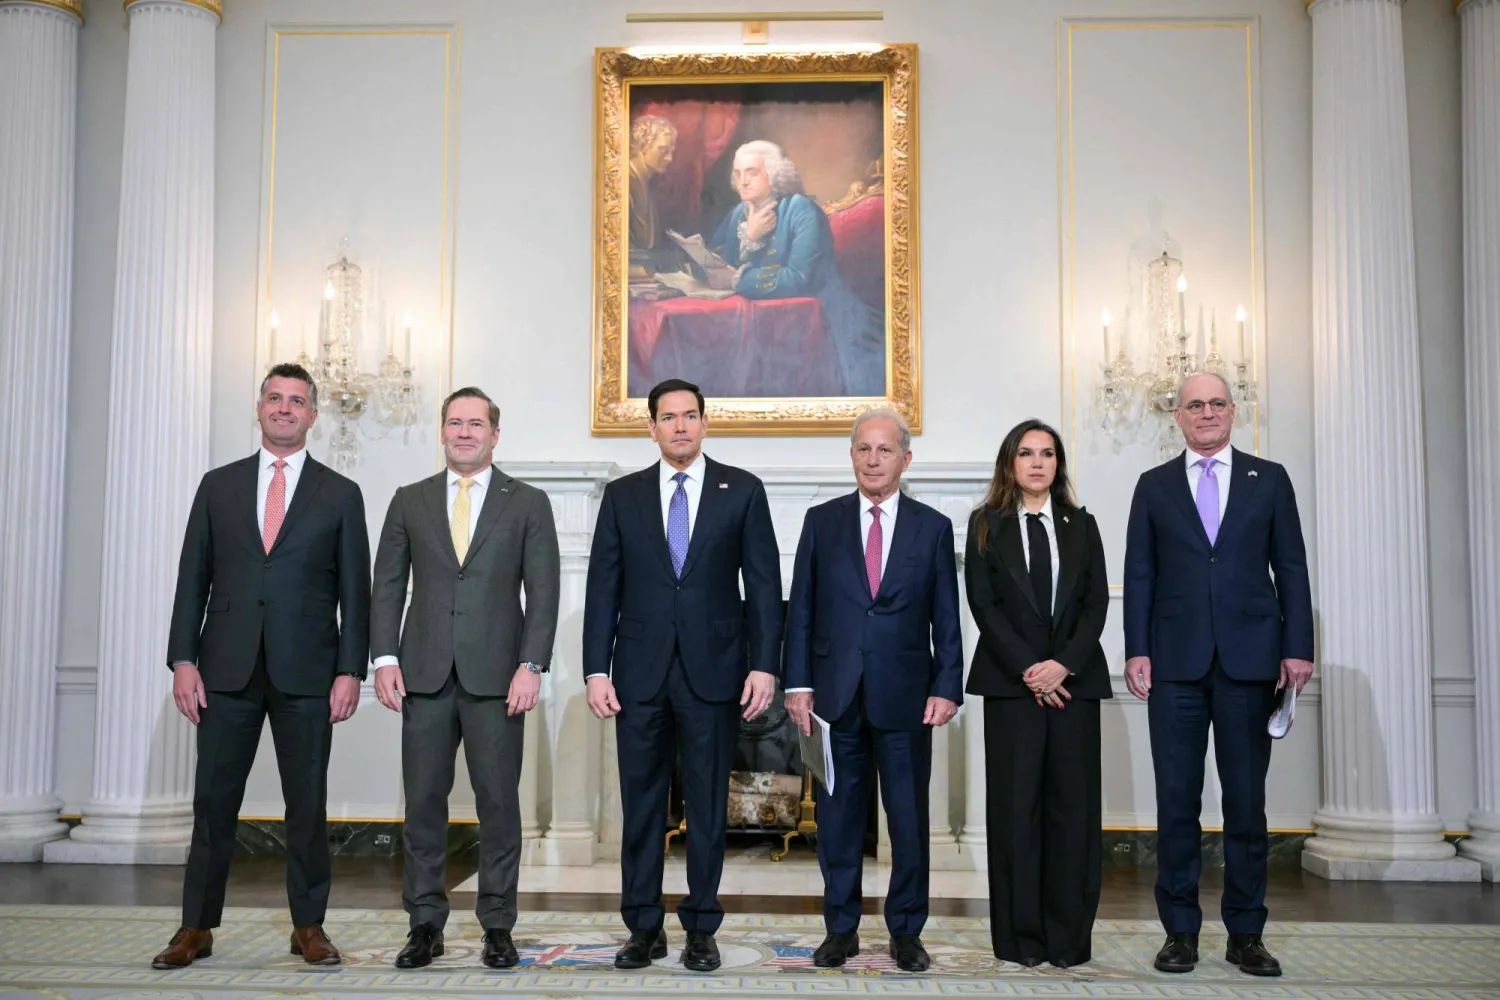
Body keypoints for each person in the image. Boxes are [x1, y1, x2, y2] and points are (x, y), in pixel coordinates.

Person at [156, 363, 371, 970]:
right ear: (259, 409)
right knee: (213, 803)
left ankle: (308, 926)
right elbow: (192, 579)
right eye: (275, 398)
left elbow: (356, 594)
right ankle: (196, 927)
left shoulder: (341, 493)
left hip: (309, 671)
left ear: (313, 415)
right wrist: (183, 659)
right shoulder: (217, 486)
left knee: (307, 804)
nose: (284, 408)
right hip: (224, 669)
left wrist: (350, 670)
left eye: (296, 401)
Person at [582, 377, 783, 973]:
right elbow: (603, 588)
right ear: (651, 428)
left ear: (704, 422)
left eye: (689, 415)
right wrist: (596, 669)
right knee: (642, 806)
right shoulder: (622, 495)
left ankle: (701, 926)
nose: (679, 426)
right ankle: (643, 927)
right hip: (638, 675)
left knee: (707, 805)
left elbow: (764, 586)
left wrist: (765, 664)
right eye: (667, 417)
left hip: (714, 672)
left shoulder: (742, 490)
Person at [1123, 372, 1314, 978]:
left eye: (1216, 403)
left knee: (1247, 804)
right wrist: (1136, 649)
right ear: (1177, 416)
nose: (1206, 413)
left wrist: (1298, 647)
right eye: (1194, 405)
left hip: (1250, 662)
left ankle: (1246, 935)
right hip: (1174, 664)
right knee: (1176, 802)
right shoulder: (1153, 485)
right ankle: (1179, 932)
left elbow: (1291, 567)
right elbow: (1140, 573)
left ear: (1233, 411)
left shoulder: (1270, 478)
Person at [369, 386, 560, 970]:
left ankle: (497, 926)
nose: (464, 432)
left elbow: (544, 591)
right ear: (442, 431)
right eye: (455, 423)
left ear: (494, 434)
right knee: (423, 804)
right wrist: (384, 659)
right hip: (423, 675)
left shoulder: (527, 502)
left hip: (499, 679)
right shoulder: (409, 500)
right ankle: (425, 924)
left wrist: (531, 665)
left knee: (499, 805)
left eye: (476, 424)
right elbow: (387, 585)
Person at [783, 405, 964, 973]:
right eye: (864, 448)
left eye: (885, 450)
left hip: (907, 698)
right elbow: (801, 608)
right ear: (851, 455)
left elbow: (946, 616)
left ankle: (906, 932)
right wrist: (798, 684)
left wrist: (947, 686)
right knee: (837, 821)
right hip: (834, 697)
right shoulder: (821, 521)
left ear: (905, 459)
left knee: (907, 820)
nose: (873, 459)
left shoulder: (933, 527)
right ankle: (840, 930)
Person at [963, 419, 1111, 968]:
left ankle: (1068, 941)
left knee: (1072, 815)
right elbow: (983, 604)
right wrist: (1030, 669)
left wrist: (1062, 666)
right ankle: (1020, 940)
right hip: (1011, 687)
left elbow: (1096, 603)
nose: (1037, 463)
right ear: (1010, 463)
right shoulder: (985, 524)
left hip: (1075, 687)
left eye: (1047, 454)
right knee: (1015, 814)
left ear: (1057, 464)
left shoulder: (1082, 524)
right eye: (1026, 453)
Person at [708, 140, 885, 397]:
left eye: (752, 172)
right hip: (766, 321)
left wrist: (737, 280)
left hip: (825, 322)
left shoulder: (801, 209)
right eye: (737, 174)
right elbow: (718, 259)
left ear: (775, 173)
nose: (742, 181)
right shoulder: (739, 213)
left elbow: (798, 278)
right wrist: (749, 237)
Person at [628, 114, 680, 274]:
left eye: (671, 152)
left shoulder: (644, 183)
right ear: (643, 144)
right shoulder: (625, 182)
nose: (669, 158)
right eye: (663, 150)